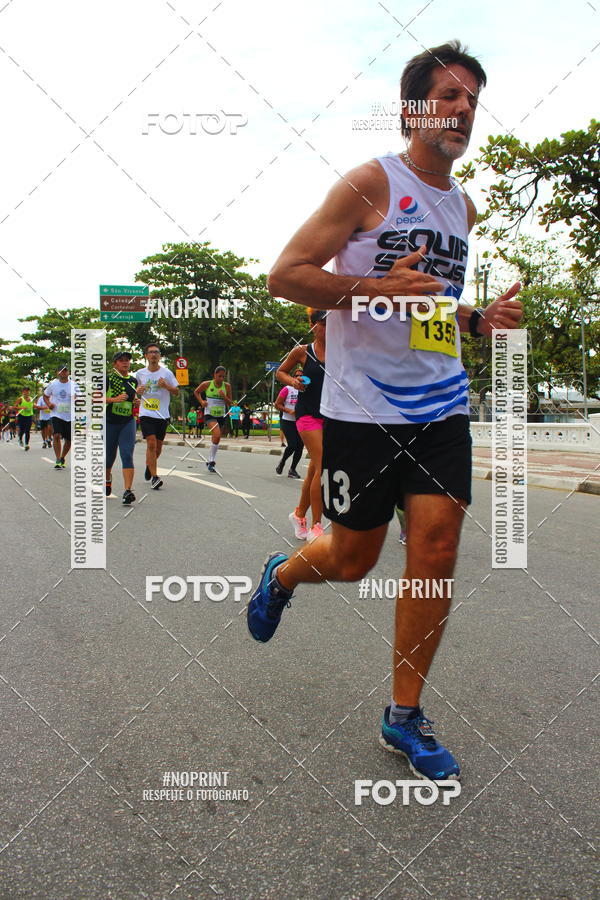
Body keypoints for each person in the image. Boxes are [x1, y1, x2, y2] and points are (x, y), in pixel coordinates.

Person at [248, 41, 523, 783]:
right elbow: (287, 276)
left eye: (473, 99)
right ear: (413, 110)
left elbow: (428, 304)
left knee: (434, 553)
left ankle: (404, 716)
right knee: (350, 558)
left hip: (440, 408)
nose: (464, 109)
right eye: (450, 95)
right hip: (361, 410)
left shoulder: (464, 206)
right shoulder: (371, 183)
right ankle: (281, 576)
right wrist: (373, 290)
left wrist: (473, 322)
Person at [276, 310, 327, 541]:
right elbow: (280, 372)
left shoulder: (341, 350)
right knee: (323, 465)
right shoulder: (303, 351)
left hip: (331, 415)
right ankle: (317, 525)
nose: (328, 328)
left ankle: (299, 515)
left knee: (314, 469)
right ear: (313, 325)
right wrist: (294, 382)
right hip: (307, 416)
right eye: (323, 323)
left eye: (332, 323)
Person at [134, 344, 179, 490]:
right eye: (151, 352)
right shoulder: (140, 374)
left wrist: (166, 386)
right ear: (146, 356)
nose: (153, 355)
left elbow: (176, 392)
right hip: (146, 413)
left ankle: (149, 466)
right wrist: (138, 391)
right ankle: (155, 477)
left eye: (156, 352)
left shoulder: (167, 373)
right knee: (151, 443)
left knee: (158, 447)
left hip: (162, 414)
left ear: (160, 356)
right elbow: (135, 393)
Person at [105, 351, 138, 504]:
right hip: (110, 422)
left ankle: (127, 491)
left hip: (128, 422)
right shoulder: (108, 379)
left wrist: (136, 401)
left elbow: (133, 399)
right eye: (121, 360)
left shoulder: (133, 381)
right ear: (115, 364)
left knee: (126, 454)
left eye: (127, 360)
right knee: (109, 457)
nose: (125, 363)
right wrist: (114, 399)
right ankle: (107, 479)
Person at [194, 366, 232, 472]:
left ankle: (210, 460)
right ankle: (211, 461)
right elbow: (196, 392)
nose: (221, 379)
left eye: (223, 377)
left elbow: (230, 403)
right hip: (209, 415)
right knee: (217, 434)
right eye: (219, 376)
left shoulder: (227, 386)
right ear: (214, 375)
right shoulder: (206, 384)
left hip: (221, 415)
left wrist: (224, 396)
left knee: (216, 438)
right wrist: (202, 401)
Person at [44, 365, 80, 469]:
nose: (64, 372)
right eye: (61, 371)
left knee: (69, 440)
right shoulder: (53, 384)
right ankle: (58, 459)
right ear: (58, 373)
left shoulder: (74, 385)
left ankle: (63, 457)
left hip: (70, 416)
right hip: (56, 414)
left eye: (65, 370)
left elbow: (80, 397)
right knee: (56, 435)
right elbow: (45, 395)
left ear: (68, 372)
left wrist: (76, 399)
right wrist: (49, 404)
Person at [274, 366, 304, 479]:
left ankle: (292, 469)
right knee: (292, 445)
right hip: (288, 421)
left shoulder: (306, 389)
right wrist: (289, 410)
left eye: (302, 375)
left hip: (301, 422)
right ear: (293, 377)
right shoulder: (287, 389)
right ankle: (282, 462)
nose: (300, 377)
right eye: (297, 375)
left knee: (300, 446)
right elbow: (277, 404)